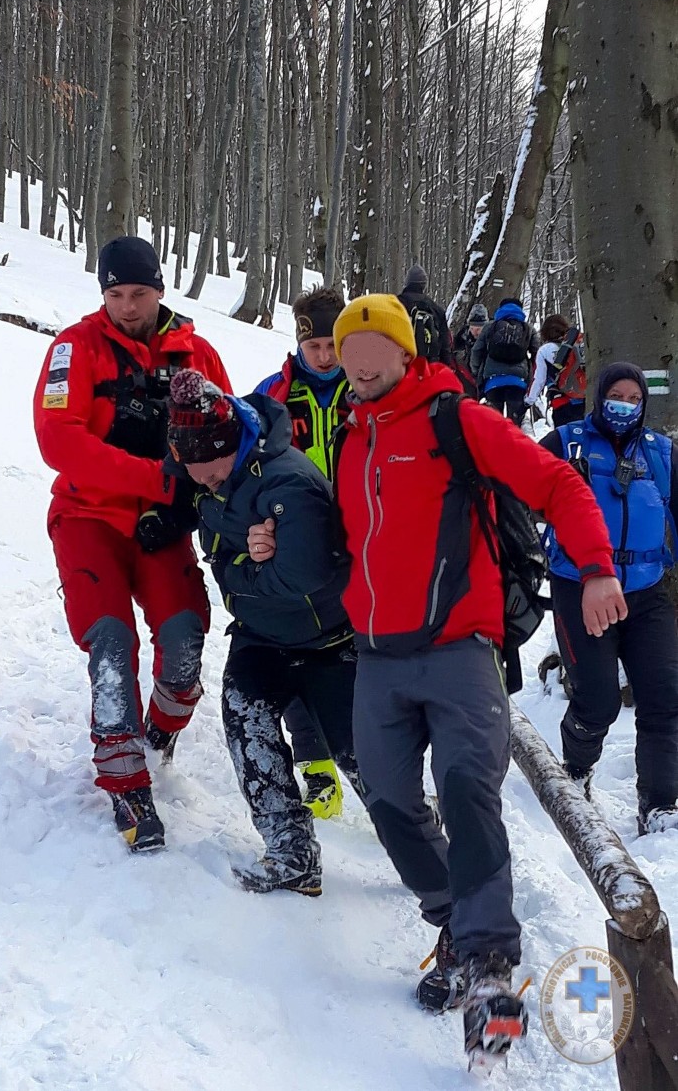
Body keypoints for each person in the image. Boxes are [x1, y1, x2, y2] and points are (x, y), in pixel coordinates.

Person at [330, 294, 620, 1068]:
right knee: (390, 804)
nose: (359, 375)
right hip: (376, 656)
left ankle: (492, 978)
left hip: (461, 649)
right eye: (349, 365)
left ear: (404, 354)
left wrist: (595, 569)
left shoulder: (456, 419)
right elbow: (347, 536)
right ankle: (453, 919)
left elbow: (558, 485)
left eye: (371, 361)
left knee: (467, 790)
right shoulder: (347, 430)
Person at [33, 236, 232, 853]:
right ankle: (125, 778)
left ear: (160, 290)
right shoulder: (75, 348)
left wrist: (189, 506)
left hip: (162, 525)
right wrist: (154, 478)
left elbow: (228, 435)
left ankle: (162, 729)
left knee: (183, 640)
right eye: (114, 294)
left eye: (138, 294)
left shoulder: (196, 353)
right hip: (88, 518)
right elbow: (58, 442)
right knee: (111, 642)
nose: (126, 306)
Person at [165, 368, 365, 895]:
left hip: (329, 636)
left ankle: (427, 848)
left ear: (232, 445)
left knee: (358, 754)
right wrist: (246, 559)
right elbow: (220, 562)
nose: (203, 482)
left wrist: (244, 571)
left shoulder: (287, 481)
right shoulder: (204, 471)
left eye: (210, 473)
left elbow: (303, 573)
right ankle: (291, 851)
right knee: (245, 721)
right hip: (260, 635)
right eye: (195, 474)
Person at [541, 362, 678, 835]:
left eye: (635, 398)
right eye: (617, 395)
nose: (626, 405)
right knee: (597, 700)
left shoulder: (661, 453)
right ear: (600, 397)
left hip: (647, 590)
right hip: (579, 586)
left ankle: (659, 804)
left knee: (664, 698)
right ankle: (575, 773)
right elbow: (514, 496)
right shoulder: (566, 442)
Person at [255, 285, 350, 818]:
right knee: (294, 654)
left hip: (361, 540)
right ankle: (318, 770)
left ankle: (377, 763)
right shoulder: (273, 394)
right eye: (315, 347)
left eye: (333, 345)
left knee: (356, 659)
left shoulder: (366, 389)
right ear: (299, 343)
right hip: (296, 543)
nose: (325, 357)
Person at [470, 297, 539, 426]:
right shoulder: (528, 329)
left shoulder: (490, 327)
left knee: (494, 423)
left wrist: (476, 371)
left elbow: (476, 351)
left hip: (493, 380)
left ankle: (494, 445)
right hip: (518, 381)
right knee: (514, 424)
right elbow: (537, 354)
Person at [525, 314, 586, 427]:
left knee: (565, 439)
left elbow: (538, 380)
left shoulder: (545, 350)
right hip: (585, 401)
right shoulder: (579, 345)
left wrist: (528, 401)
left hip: (562, 403)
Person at [398, 263, 454, 365]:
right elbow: (445, 346)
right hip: (429, 366)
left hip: (403, 365)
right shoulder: (436, 309)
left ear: (407, 283)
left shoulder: (397, 304)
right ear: (424, 285)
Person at [453, 302, 488, 368]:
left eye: (478, 329)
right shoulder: (463, 336)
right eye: (472, 328)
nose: (474, 332)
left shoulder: (490, 338)